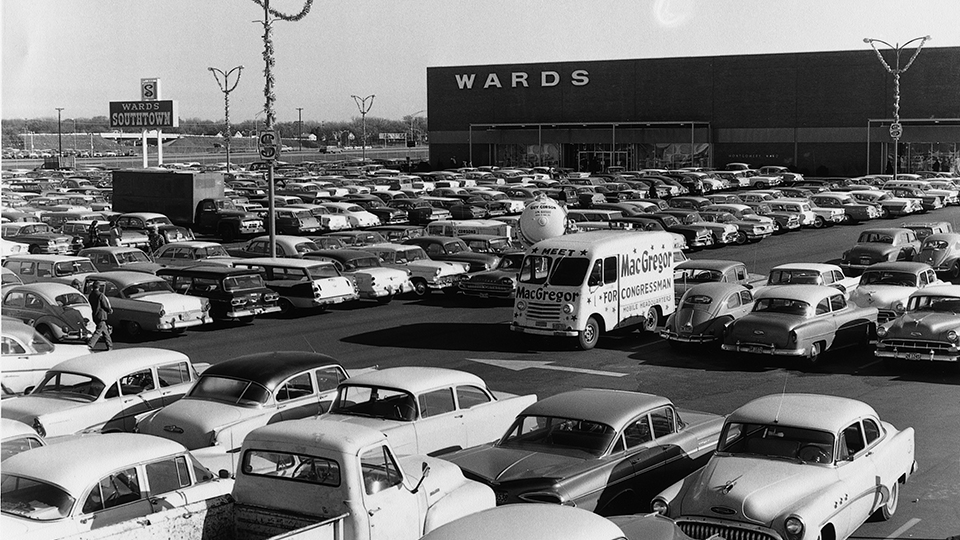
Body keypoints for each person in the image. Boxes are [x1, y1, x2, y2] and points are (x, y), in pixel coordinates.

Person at [87, 282, 113, 351]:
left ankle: (110, 346)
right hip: (101, 315)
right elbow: (104, 305)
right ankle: (90, 345)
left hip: (95, 315)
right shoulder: (100, 295)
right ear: (99, 287)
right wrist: (109, 310)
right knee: (98, 332)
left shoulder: (91, 295)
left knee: (105, 331)